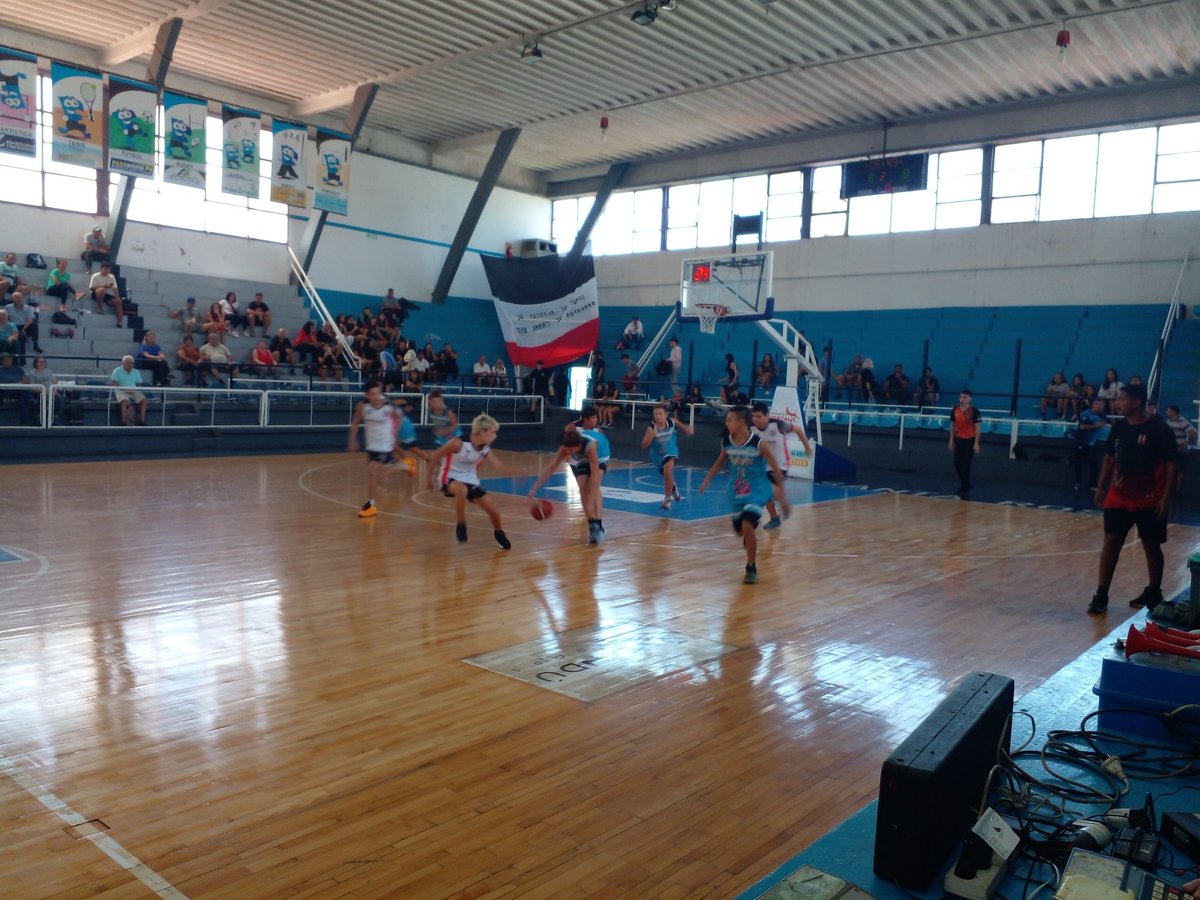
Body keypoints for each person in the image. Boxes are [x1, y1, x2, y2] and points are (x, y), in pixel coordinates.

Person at [1087, 384, 1178, 615]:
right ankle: (1101, 593)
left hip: (1150, 497)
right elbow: (1109, 460)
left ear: (1137, 402)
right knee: (1111, 542)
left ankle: (1154, 590)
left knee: (1151, 545)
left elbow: (1171, 467)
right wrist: (1100, 488)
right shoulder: (1118, 428)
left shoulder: (1160, 430)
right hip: (1119, 496)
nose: (1117, 403)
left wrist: (1166, 498)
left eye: (1122, 399)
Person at [698, 405, 784, 585]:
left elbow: (773, 462)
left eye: (729, 419)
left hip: (757, 490)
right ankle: (750, 530)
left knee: (746, 525)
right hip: (737, 491)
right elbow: (720, 462)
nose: (726, 423)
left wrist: (780, 485)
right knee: (740, 531)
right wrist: (707, 479)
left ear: (741, 422)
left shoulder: (757, 443)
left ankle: (751, 567)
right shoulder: (727, 442)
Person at [527, 407, 610, 543]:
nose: (568, 452)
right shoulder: (566, 448)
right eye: (567, 450)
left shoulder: (591, 446)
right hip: (583, 460)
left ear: (578, 446)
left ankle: (599, 525)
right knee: (583, 491)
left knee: (593, 490)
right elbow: (550, 468)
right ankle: (592, 525)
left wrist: (593, 487)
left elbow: (595, 472)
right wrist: (534, 489)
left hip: (601, 457)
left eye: (571, 450)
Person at [429, 413, 511, 548]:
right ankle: (461, 524)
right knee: (461, 489)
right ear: (482, 431)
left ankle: (499, 532)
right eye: (493, 432)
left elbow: (498, 466)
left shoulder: (485, 448)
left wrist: (518, 475)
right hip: (449, 477)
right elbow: (435, 456)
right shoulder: (458, 443)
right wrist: (428, 478)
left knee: (493, 510)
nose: (495, 436)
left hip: (470, 480)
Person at [347, 379, 419, 518]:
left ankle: (371, 505)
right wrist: (353, 439)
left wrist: (394, 434)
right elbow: (355, 423)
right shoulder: (362, 406)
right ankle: (404, 466)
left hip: (384, 445)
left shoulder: (388, 406)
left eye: (377, 393)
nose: (375, 396)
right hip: (371, 446)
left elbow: (399, 416)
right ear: (367, 395)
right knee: (375, 476)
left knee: (372, 474)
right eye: (372, 394)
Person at [751, 401, 811, 529]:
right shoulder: (751, 427)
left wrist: (807, 448)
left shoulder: (778, 424)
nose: (756, 419)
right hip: (762, 465)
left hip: (780, 465)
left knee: (768, 492)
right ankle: (774, 517)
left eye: (759, 416)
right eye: (754, 416)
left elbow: (799, 430)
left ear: (767, 415)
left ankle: (782, 505)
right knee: (764, 492)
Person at [642, 402, 694, 510]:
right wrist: (652, 435)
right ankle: (673, 488)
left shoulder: (671, 422)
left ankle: (667, 499)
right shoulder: (651, 428)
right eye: (655, 414)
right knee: (667, 476)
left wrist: (687, 428)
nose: (658, 416)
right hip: (657, 456)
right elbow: (644, 445)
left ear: (666, 415)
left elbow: (679, 423)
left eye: (660, 414)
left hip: (671, 452)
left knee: (667, 471)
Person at [948, 389, 982, 496]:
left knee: (966, 464)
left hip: (970, 440)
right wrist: (951, 440)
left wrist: (976, 443)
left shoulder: (974, 411)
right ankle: (966, 483)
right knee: (957, 463)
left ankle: (964, 486)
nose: (962, 399)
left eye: (965, 397)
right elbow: (953, 425)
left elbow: (977, 427)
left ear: (970, 399)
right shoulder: (955, 410)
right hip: (959, 439)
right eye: (961, 397)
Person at [1072, 398, 1106, 492]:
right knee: (1078, 463)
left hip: (1093, 443)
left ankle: (1092, 484)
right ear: (1093, 405)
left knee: (1094, 464)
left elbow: (1103, 424)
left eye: (1101, 404)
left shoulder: (1103, 415)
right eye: (1097, 403)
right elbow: (1082, 427)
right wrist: (1096, 426)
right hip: (1081, 442)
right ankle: (1078, 482)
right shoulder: (1086, 414)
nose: (1099, 405)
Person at [1164, 404, 1196, 494]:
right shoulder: (1168, 421)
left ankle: (1178, 490)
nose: (1167, 412)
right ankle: (1170, 488)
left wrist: (1186, 443)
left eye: (1168, 410)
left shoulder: (1183, 421)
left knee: (1180, 469)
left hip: (1181, 450)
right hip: (1172, 449)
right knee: (1171, 468)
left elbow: (1193, 432)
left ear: (1173, 412)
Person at [110, 354, 147, 425]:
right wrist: (124, 389)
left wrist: (135, 389)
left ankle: (142, 421)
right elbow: (114, 383)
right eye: (128, 363)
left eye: (132, 363)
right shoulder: (117, 370)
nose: (130, 365)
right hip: (121, 391)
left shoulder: (136, 372)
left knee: (144, 400)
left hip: (133, 391)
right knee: (124, 401)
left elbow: (139, 384)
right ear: (123, 363)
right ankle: (123, 421)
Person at [5, 293, 42, 361]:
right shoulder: (8, 307)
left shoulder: (28, 308)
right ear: (13, 299)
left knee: (34, 325)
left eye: (19, 297)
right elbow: (6, 319)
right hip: (13, 327)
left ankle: (35, 344)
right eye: (16, 297)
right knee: (22, 337)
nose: (18, 299)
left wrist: (23, 329)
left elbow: (30, 320)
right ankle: (22, 359)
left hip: (25, 326)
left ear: (22, 298)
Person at [87, 261, 124, 327]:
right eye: (105, 269)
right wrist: (104, 286)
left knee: (118, 302)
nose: (106, 271)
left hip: (107, 295)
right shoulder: (95, 276)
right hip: (96, 293)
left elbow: (115, 288)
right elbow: (91, 288)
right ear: (101, 269)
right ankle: (99, 308)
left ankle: (119, 322)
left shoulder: (112, 277)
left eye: (108, 269)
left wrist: (117, 297)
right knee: (102, 290)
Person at [426, 388, 461, 453]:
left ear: (441, 401)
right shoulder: (430, 411)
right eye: (433, 402)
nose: (436, 404)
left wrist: (443, 431)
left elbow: (455, 426)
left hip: (454, 435)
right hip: (443, 437)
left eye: (438, 401)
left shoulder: (448, 412)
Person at [26, 354, 55, 425]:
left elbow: (54, 383)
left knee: (59, 398)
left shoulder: (49, 372)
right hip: (39, 391)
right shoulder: (32, 373)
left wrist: (54, 391)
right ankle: (42, 419)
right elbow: (32, 386)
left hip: (50, 390)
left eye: (43, 362)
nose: (41, 363)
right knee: (44, 398)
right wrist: (43, 390)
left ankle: (54, 417)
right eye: (39, 362)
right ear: (36, 363)